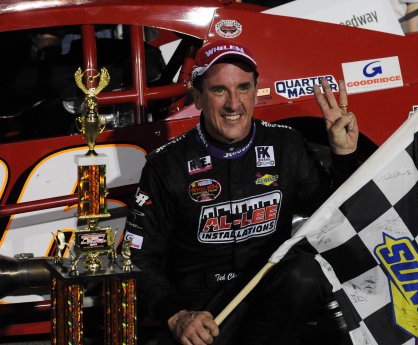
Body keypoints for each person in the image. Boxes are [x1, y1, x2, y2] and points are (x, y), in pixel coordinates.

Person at [125, 39, 359, 345]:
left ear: (256, 90)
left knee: (303, 272)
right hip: (202, 313)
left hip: (269, 300)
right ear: (197, 95)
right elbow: (135, 257)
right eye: (219, 90)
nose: (234, 104)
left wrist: (345, 156)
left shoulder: (285, 144)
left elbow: (330, 215)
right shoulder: (166, 164)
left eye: (243, 88)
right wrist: (176, 315)